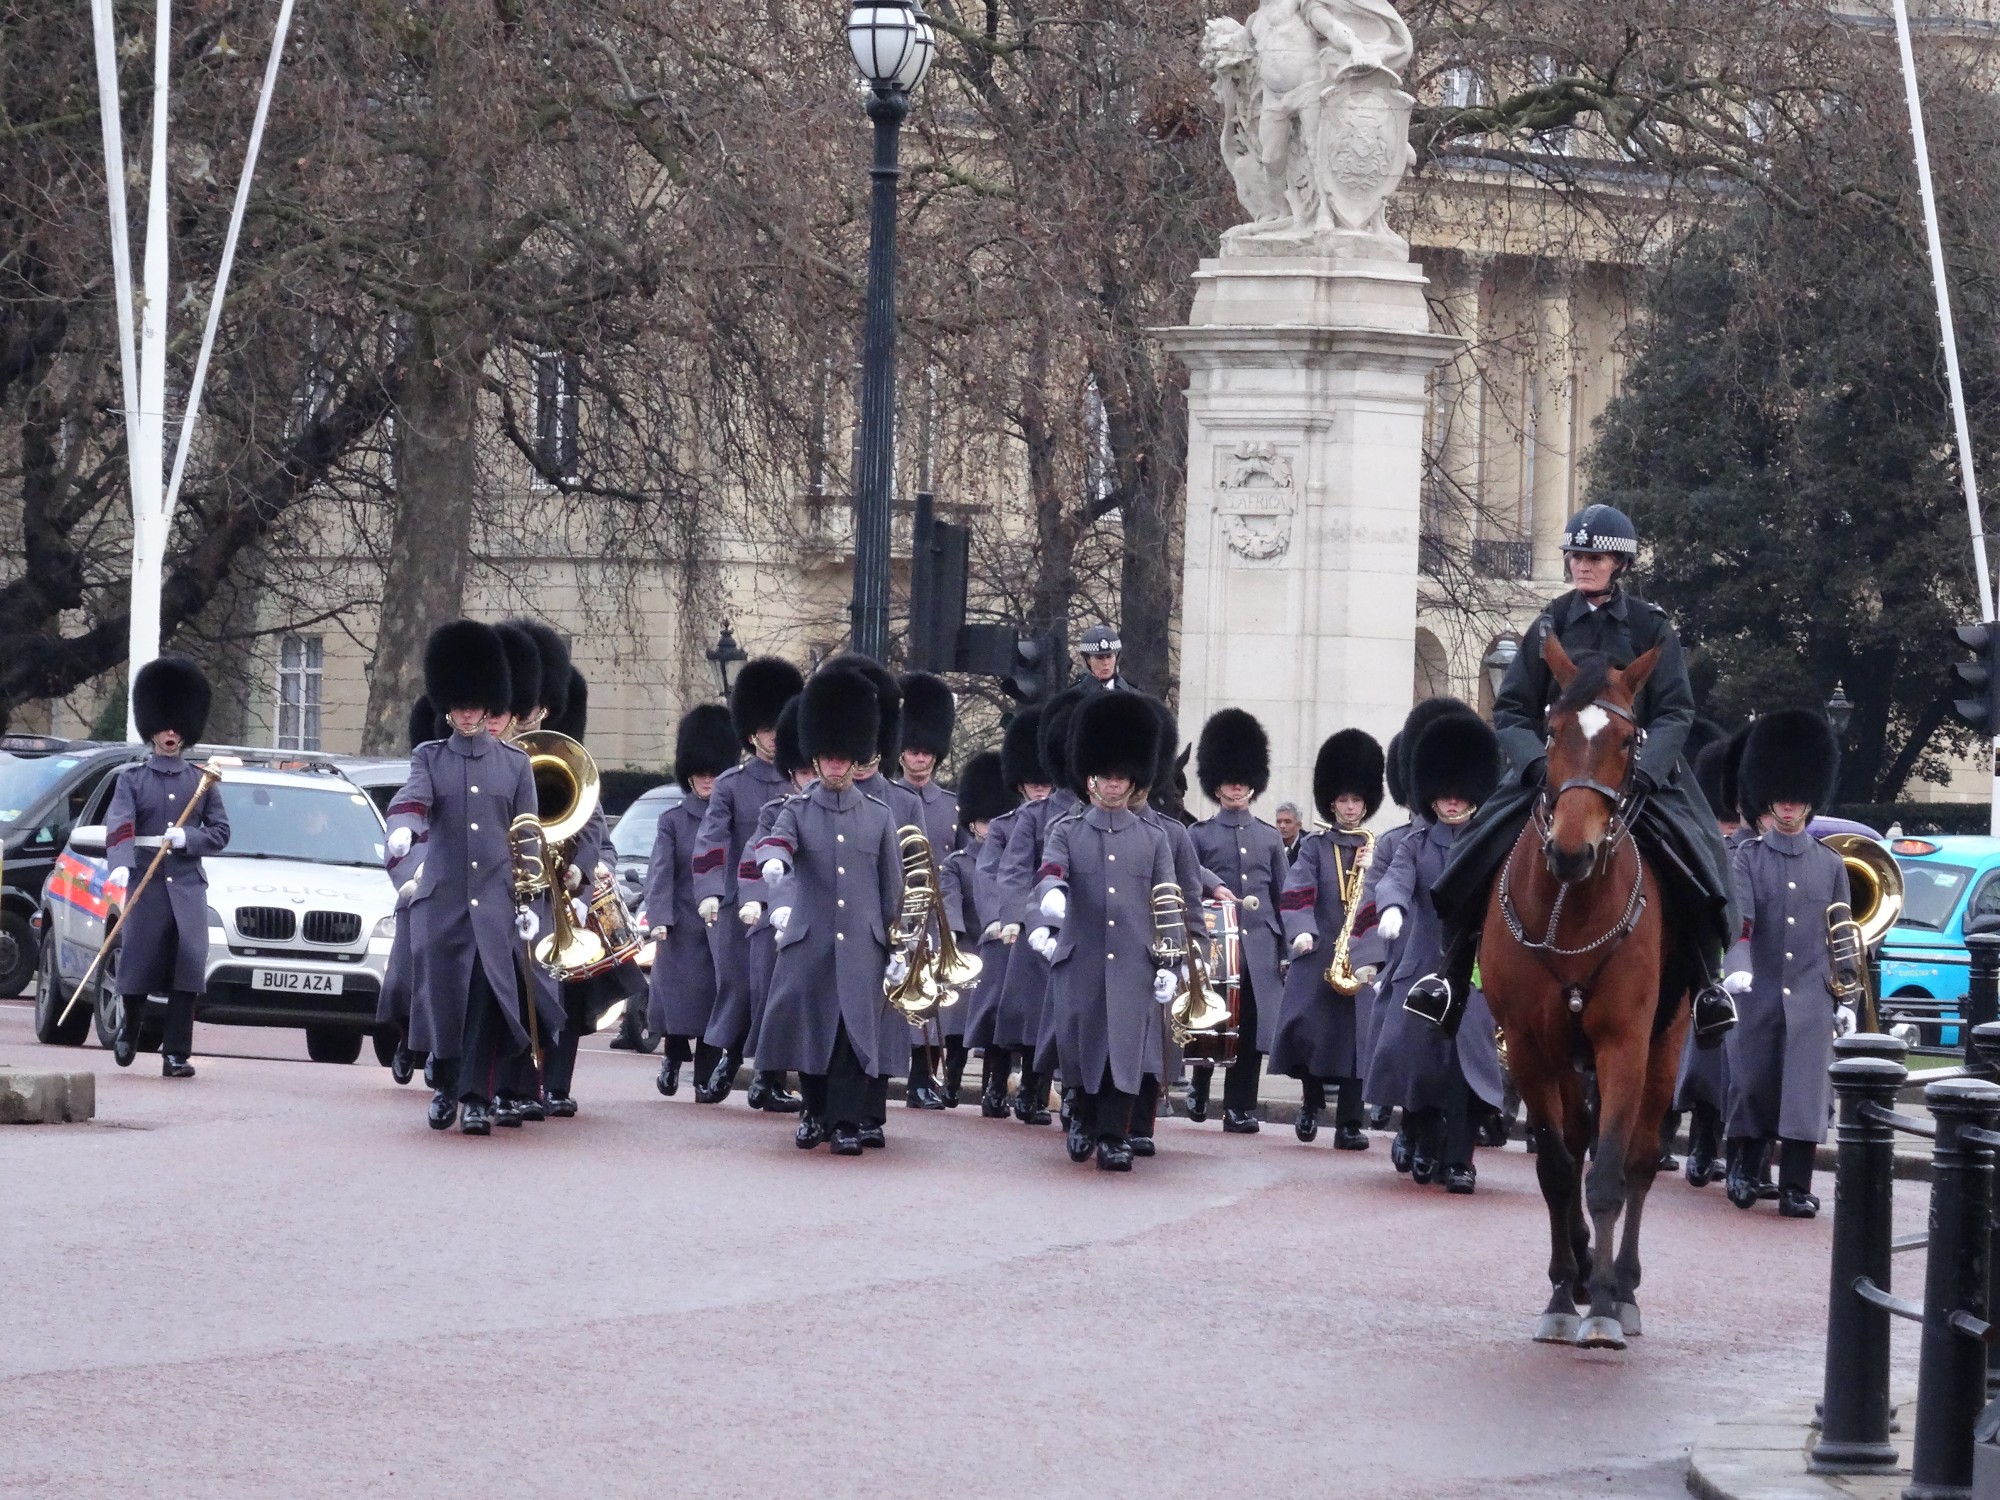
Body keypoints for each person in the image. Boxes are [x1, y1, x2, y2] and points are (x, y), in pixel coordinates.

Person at [1408, 505, 1738, 1049]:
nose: (1582, 565)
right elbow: (1512, 709)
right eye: (1576, 556)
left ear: (1619, 564)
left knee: (1700, 858)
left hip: (1636, 772)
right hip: (1555, 773)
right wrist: (1537, 765)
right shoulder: (1550, 624)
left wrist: (1652, 772)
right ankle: (1448, 977)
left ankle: (1707, 986)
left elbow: (1677, 710)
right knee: (1476, 851)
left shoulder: (1651, 626)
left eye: (1595, 557)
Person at [388, 621, 541, 1135]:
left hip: (496, 902)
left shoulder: (516, 766)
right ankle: (445, 1086)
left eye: (477, 704)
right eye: (461, 704)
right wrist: (404, 832)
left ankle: (475, 1096)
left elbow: (527, 837)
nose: (469, 712)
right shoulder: (429, 758)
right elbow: (411, 800)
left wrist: (528, 899)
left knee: (483, 998)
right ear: (449, 707)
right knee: (444, 998)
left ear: (489, 703)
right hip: (443, 898)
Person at [752, 668, 906, 1155]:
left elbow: (892, 887)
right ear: (816, 759)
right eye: (828, 759)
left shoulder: (880, 817)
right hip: (810, 940)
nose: (836, 767)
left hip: (863, 945)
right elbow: (777, 838)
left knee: (849, 1037)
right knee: (810, 1035)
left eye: (843, 759)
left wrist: (899, 942)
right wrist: (773, 860)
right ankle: (813, 1112)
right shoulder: (797, 809)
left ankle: (844, 1123)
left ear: (854, 759)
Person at [1027, 691, 1179, 1170]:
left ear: (1132, 780)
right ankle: (1083, 1117)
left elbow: (1168, 903)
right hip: (1082, 956)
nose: (1113, 786)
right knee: (1082, 1048)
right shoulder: (1068, 830)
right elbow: (1052, 868)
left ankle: (1114, 1134)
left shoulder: (1154, 839)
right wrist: (1052, 894)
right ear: (1090, 778)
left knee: (1124, 1053)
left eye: (1121, 778)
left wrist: (1170, 962)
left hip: (1135, 961)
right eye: (1106, 777)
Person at [1366, 709, 1506, 1194]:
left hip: (1472, 974)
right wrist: (1392, 909)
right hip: (1422, 965)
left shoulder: (1492, 843)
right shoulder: (1416, 843)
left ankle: (1461, 1160)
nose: (1451, 802)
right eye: (1444, 793)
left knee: (1467, 1070)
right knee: (1419, 1065)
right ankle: (1423, 1140)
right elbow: (1396, 880)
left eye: (1460, 793)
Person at [1720, 708, 1847, 1218]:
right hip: (1759, 989)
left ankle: (1796, 1185)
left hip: (1812, 994)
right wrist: (1739, 962)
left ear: (1810, 802)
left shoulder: (1832, 864)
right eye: (1782, 798)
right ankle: (1744, 1169)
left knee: (1804, 1092)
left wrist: (1848, 998)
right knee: (1752, 1084)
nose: (1790, 807)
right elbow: (1742, 920)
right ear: (1769, 799)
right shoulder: (1747, 858)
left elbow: (1842, 936)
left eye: (1798, 799)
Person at [105, 655, 231, 1079]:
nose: (170, 733)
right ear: (152, 727)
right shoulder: (132, 779)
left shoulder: (201, 781)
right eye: (164, 726)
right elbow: (120, 825)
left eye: (177, 726)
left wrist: (188, 839)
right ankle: (130, 1027)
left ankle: (177, 1053)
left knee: (187, 966)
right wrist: (121, 864)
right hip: (147, 880)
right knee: (139, 961)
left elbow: (220, 832)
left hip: (188, 887)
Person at [691, 656, 805, 1101]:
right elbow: (711, 840)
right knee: (741, 988)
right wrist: (711, 891)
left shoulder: (802, 782)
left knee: (777, 992)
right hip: (743, 902)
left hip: (792, 902)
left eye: (779, 727)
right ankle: (729, 1061)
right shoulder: (731, 784)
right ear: (751, 733)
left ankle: (767, 1078)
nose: (774, 737)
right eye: (766, 729)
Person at [1272, 728, 1385, 1147]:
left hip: (1360, 953)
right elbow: (1297, 892)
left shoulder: (1378, 846)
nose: (1351, 808)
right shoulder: (1314, 847)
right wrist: (1301, 933)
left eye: (1357, 801)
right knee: (1310, 1033)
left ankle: (1351, 1124)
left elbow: (1380, 899)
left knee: (1359, 1042)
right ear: (1331, 803)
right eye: (1343, 801)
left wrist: (1374, 951)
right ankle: (1309, 1102)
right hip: (1318, 950)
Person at [1188, 709, 1290, 1135]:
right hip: (1215, 945)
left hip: (1260, 948)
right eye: (1229, 779)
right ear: (1217, 784)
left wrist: (1284, 951)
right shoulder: (1200, 834)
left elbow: (1284, 898)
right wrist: (1214, 887)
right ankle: (1199, 1085)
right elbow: (1187, 876)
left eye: (1242, 780)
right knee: (1212, 1020)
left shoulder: (1269, 837)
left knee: (1247, 1027)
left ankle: (1240, 1106)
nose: (1236, 786)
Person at [992, 689, 1090, 1126]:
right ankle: (1030, 1091)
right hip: (1041, 922)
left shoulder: (1098, 811)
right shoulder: (1035, 814)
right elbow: (1014, 870)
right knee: (1036, 1020)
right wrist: (1017, 917)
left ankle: (1071, 1095)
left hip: (1085, 923)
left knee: (1076, 1018)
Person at [1674, 734, 1748, 1187]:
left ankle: (1722, 1149)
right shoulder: (1696, 845)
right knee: (1704, 1067)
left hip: (1743, 972)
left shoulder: (1751, 851)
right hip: (1702, 966)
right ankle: (1700, 1146)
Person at [970, 707, 1050, 1117]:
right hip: (1009, 929)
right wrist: (999, 920)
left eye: (1045, 782)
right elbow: (990, 873)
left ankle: (1034, 1093)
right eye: (1033, 783)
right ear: (1021, 784)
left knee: (1043, 1017)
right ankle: (994, 1088)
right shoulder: (1004, 825)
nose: (1040, 789)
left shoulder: (1062, 819)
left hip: (1048, 928)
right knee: (1002, 1016)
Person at [736, 697, 812, 1113]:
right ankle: (766, 1078)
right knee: (774, 1001)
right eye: (800, 772)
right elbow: (757, 860)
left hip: (818, 919)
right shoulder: (775, 813)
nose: (807, 779)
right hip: (776, 921)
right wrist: (766, 904)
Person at [895, 671, 964, 1104]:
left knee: (935, 1004)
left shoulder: (953, 806)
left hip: (937, 917)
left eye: (925, 752)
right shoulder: (886, 799)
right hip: (899, 911)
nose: (919, 759)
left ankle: (925, 1079)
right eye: (912, 751)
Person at [937, 749, 1015, 1105]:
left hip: (1000, 950)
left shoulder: (1012, 860)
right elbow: (949, 896)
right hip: (967, 947)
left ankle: (993, 1091)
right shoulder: (958, 862)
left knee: (997, 1030)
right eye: (984, 822)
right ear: (971, 823)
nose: (990, 827)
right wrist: (951, 933)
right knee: (955, 1028)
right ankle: (950, 1084)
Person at [376, 696, 443, 1087]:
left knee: (451, 982)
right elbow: (405, 815)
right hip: (421, 890)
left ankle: (439, 1051)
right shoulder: (427, 766)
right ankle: (406, 1038)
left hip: (464, 890)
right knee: (404, 980)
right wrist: (413, 863)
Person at [1072, 623, 1132, 692]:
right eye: (1099, 658)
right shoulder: (1074, 698)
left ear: (1116, 657)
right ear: (1088, 659)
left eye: (1109, 656)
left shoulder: (1134, 697)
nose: (1106, 663)